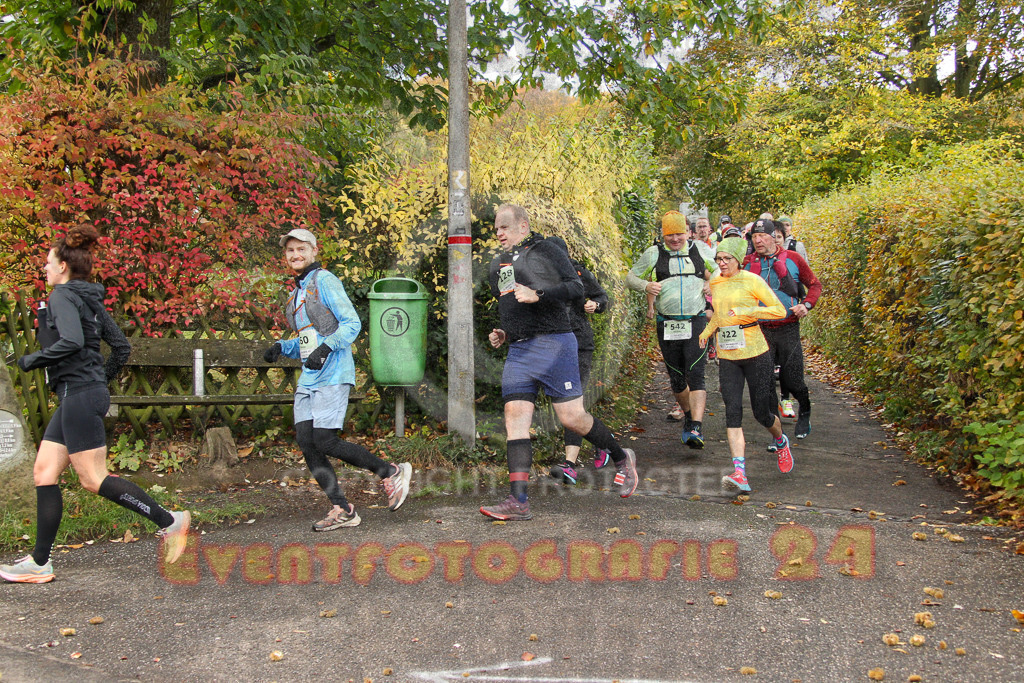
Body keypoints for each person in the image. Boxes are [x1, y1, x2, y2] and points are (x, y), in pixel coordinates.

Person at [1, 227, 190, 584]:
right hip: (80, 393)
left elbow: (72, 341)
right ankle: (39, 563)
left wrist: (32, 360)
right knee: (44, 472)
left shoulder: (61, 295)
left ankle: (170, 521)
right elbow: (121, 346)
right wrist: (99, 381)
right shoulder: (89, 299)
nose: (45, 268)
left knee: (92, 478)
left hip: (80, 393)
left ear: (63, 267)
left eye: (48, 263)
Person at [483, 204, 638, 520]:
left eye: (504, 227)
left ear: (523, 226)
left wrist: (538, 293)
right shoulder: (498, 264)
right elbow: (511, 307)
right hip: (520, 351)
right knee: (515, 419)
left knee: (572, 418)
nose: (498, 233)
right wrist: (504, 333)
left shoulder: (547, 250)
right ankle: (518, 501)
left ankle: (622, 458)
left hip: (555, 343)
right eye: (496, 228)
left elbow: (575, 288)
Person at [263, 228, 411, 531]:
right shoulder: (296, 293)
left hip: (333, 372)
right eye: (290, 250)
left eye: (301, 249)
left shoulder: (325, 281)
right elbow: (308, 340)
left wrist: (326, 349)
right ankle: (342, 509)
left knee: (324, 440)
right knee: (307, 441)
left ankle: (389, 471)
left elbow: (351, 324)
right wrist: (282, 347)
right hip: (310, 377)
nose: (295, 255)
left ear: (314, 251)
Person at [698, 237, 794, 493]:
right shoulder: (716, 281)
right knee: (732, 411)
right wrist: (707, 332)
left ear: (739, 260)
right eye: (718, 259)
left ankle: (780, 440)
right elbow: (720, 315)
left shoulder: (752, 280)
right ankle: (739, 472)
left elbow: (779, 310)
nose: (721, 263)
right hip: (728, 357)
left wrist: (749, 311)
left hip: (755, 353)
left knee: (762, 413)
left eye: (727, 259)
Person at [627, 211, 712, 448]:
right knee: (676, 377)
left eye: (679, 234)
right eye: (670, 235)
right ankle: (688, 416)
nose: (675, 239)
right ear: (663, 235)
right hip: (667, 323)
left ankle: (696, 426)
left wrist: (710, 282)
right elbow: (630, 277)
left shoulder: (700, 249)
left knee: (696, 372)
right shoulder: (654, 253)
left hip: (695, 320)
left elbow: (720, 270)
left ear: (688, 232)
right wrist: (646, 285)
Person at [744, 219, 822, 441]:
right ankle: (778, 435)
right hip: (760, 330)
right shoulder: (748, 263)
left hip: (788, 327)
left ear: (774, 237)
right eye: (754, 237)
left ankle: (805, 410)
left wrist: (806, 305)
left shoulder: (793, 258)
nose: (758, 240)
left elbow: (814, 285)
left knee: (793, 380)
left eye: (763, 236)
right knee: (766, 381)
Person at [545, 236, 611, 484]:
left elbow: (602, 297)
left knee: (572, 403)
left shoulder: (580, 273)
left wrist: (596, 304)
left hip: (580, 344)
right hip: (553, 346)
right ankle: (604, 442)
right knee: (567, 405)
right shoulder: (540, 276)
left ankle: (569, 464)